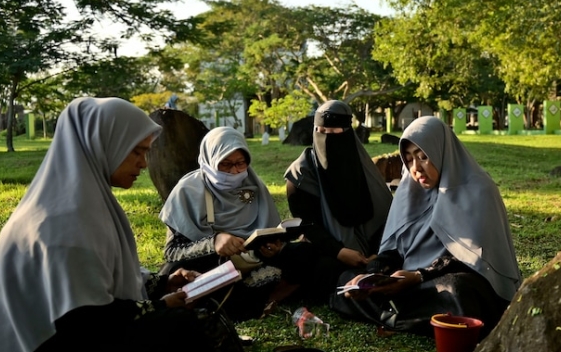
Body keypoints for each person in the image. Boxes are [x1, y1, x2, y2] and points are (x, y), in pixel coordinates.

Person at [0, 97, 236, 352]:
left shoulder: (83, 200)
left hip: (72, 340)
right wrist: (161, 305)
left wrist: (161, 283)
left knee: (188, 324)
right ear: (102, 145)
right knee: (183, 327)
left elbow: (102, 286)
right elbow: (85, 325)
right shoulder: (63, 221)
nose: (144, 164)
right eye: (137, 152)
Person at [330, 116, 522, 336]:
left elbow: (474, 260)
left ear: (442, 152)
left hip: (452, 277)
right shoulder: (409, 191)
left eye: (423, 157)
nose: (416, 168)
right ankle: (412, 319)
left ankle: (396, 317)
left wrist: (420, 276)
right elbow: (396, 249)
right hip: (410, 282)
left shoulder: (478, 190)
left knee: (457, 292)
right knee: (346, 280)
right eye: (409, 159)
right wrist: (375, 273)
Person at [160, 127, 318, 318]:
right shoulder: (188, 191)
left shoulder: (252, 185)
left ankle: (265, 298)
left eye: (240, 163)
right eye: (225, 164)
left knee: (306, 252)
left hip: (253, 261)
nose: (234, 171)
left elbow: (270, 231)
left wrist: (275, 247)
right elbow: (172, 252)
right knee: (174, 272)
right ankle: (251, 300)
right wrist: (214, 242)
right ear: (209, 160)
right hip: (213, 266)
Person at [284, 100, 393, 301]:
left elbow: (386, 214)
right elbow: (307, 225)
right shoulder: (301, 175)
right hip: (330, 250)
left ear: (347, 132)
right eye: (320, 130)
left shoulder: (363, 167)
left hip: (373, 250)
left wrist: (378, 253)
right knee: (321, 267)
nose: (326, 137)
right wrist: (340, 251)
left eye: (334, 132)